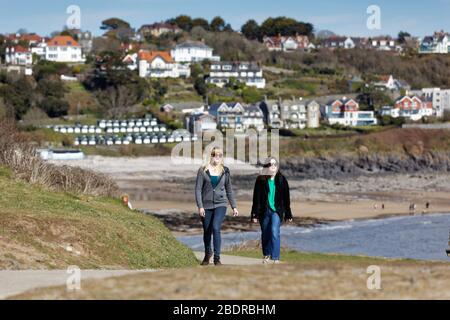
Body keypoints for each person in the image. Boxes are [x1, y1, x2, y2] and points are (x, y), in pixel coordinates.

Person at [195, 147, 239, 266]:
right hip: (206, 205)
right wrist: (200, 206)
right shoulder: (202, 170)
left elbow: (229, 189)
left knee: (215, 227)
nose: (217, 157)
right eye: (215, 155)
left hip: (221, 204)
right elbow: (198, 190)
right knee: (207, 231)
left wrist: (234, 206)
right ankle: (207, 253)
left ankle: (217, 258)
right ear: (210, 156)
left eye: (219, 155)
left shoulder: (225, 171)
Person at [251, 157, 293, 264]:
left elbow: (286, 198)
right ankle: (267, 254)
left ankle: (275, 257)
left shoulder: (282, 180)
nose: (273, 166)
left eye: (275, 164)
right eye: (270, 164)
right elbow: (256, 198)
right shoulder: (260, 180)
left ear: (277, 166)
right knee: (265, 233)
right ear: (267, 167)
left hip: (276, 211)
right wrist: (254, 214)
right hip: (264, 211)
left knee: (274, 231)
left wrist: (288, 214)